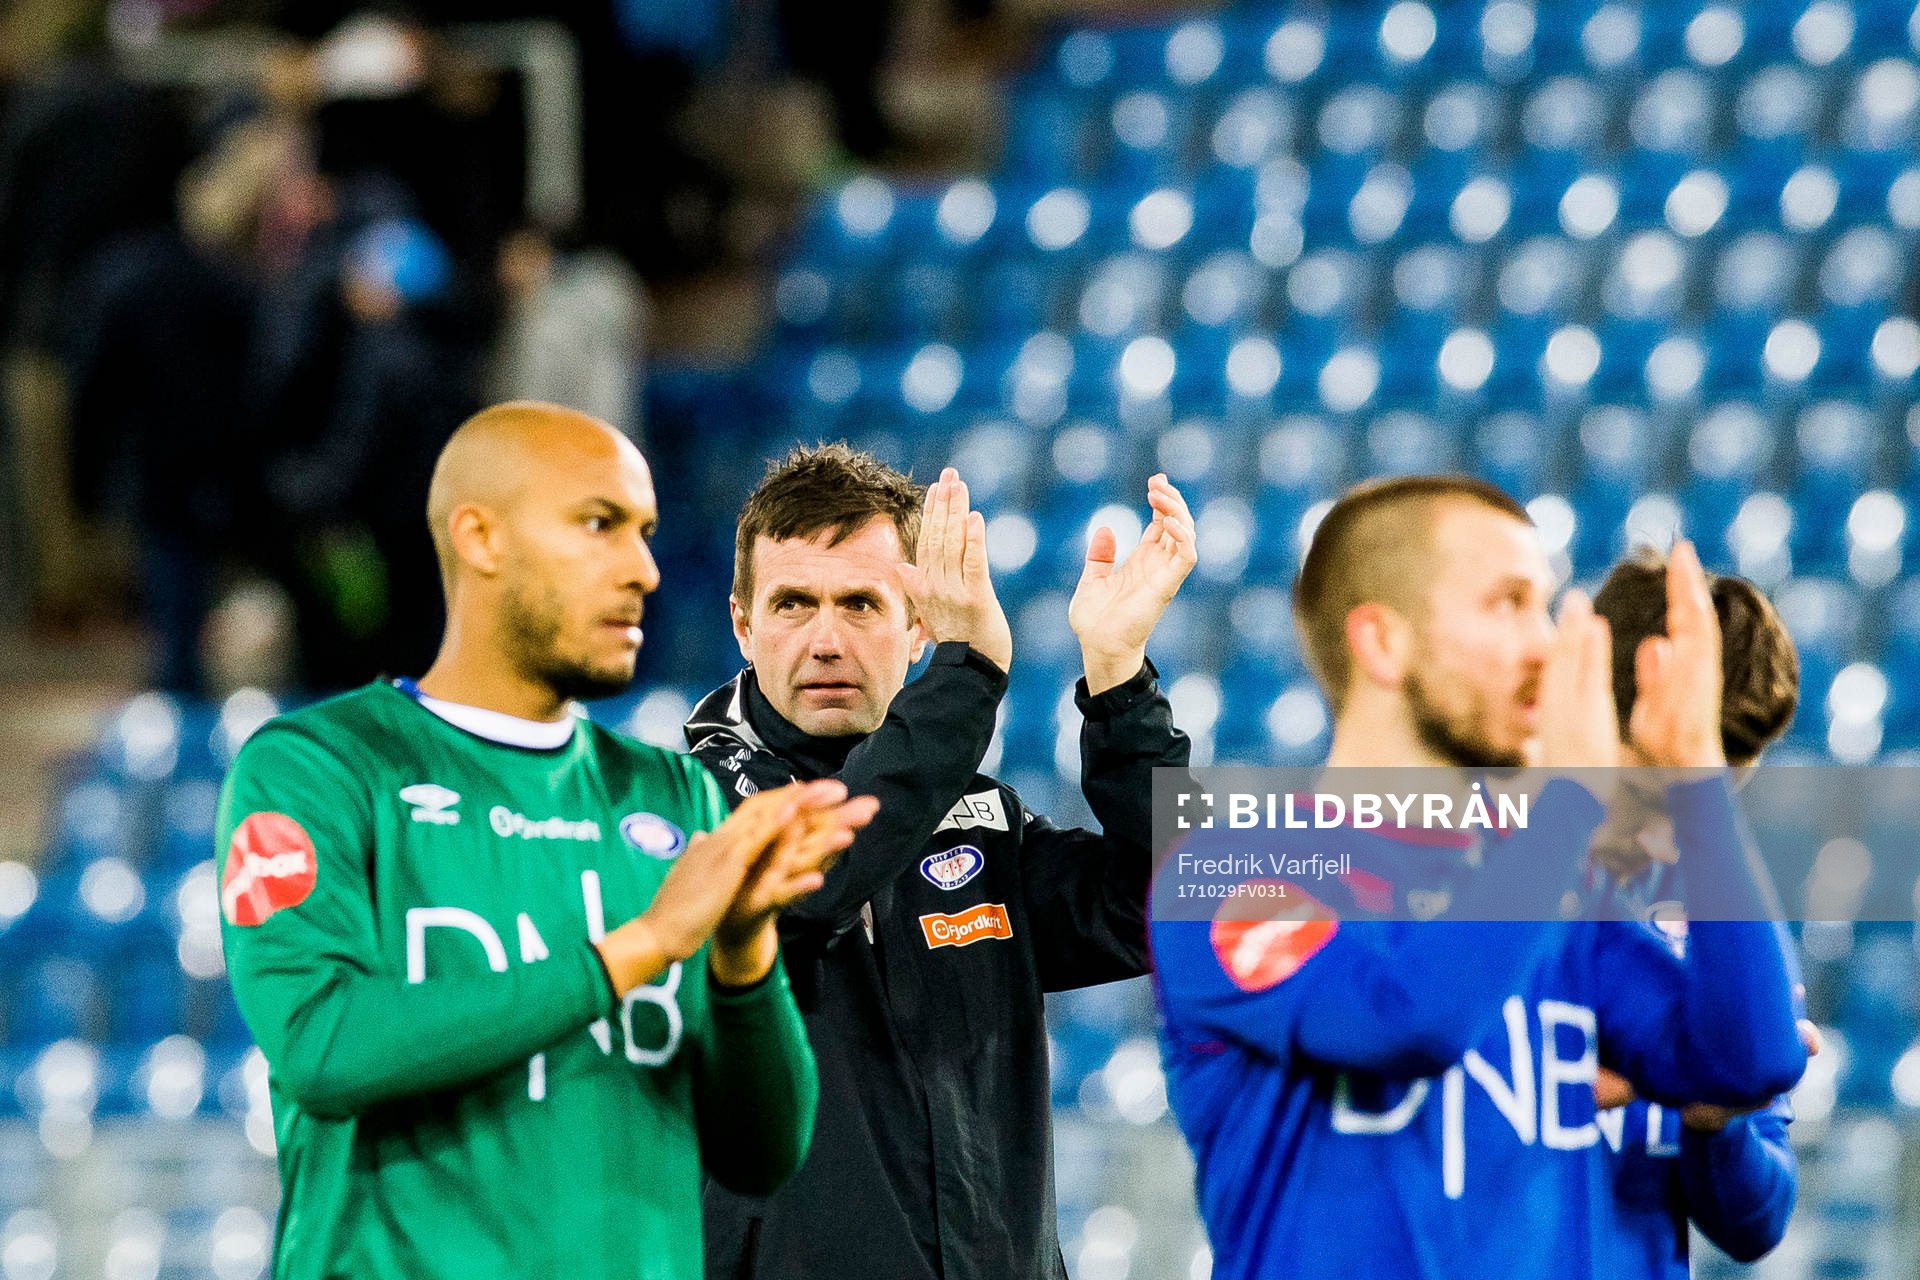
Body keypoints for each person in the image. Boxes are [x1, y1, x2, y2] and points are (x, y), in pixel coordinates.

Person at [216, 402, 878, 1280]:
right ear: (481, 538)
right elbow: (324, 1046)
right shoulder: (317, 768)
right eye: (599, 525)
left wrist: (743, 952)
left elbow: (761, 1156)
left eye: (644, 531)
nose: (642, 568)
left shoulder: (672, 794)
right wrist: (639, 949)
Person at [1149, 476, 1807, 1279]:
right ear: (1383, 643)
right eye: (1508, 604)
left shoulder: (1568, 886)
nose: (1546, 644)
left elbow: (1750, 1066)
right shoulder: (1228, 870)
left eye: (1546, 606)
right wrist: (1565, 801)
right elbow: (1404, 1019)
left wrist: (1698, 782)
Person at [683, 444, 1195, 1280]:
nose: (824, 640)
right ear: (742, 622)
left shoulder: (976, 818)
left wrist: (1119, 682)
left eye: (860, 603)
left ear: (917, 627)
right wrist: (970, 675)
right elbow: (813, 888)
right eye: (791, 604)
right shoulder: (688, 802)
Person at [1586, 550, 1809, 1274]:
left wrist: (1718, 1126)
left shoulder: (1724, 924)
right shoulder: (1457, 862)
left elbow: (1759, 1223)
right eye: (1650, 795)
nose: (1667, 837)